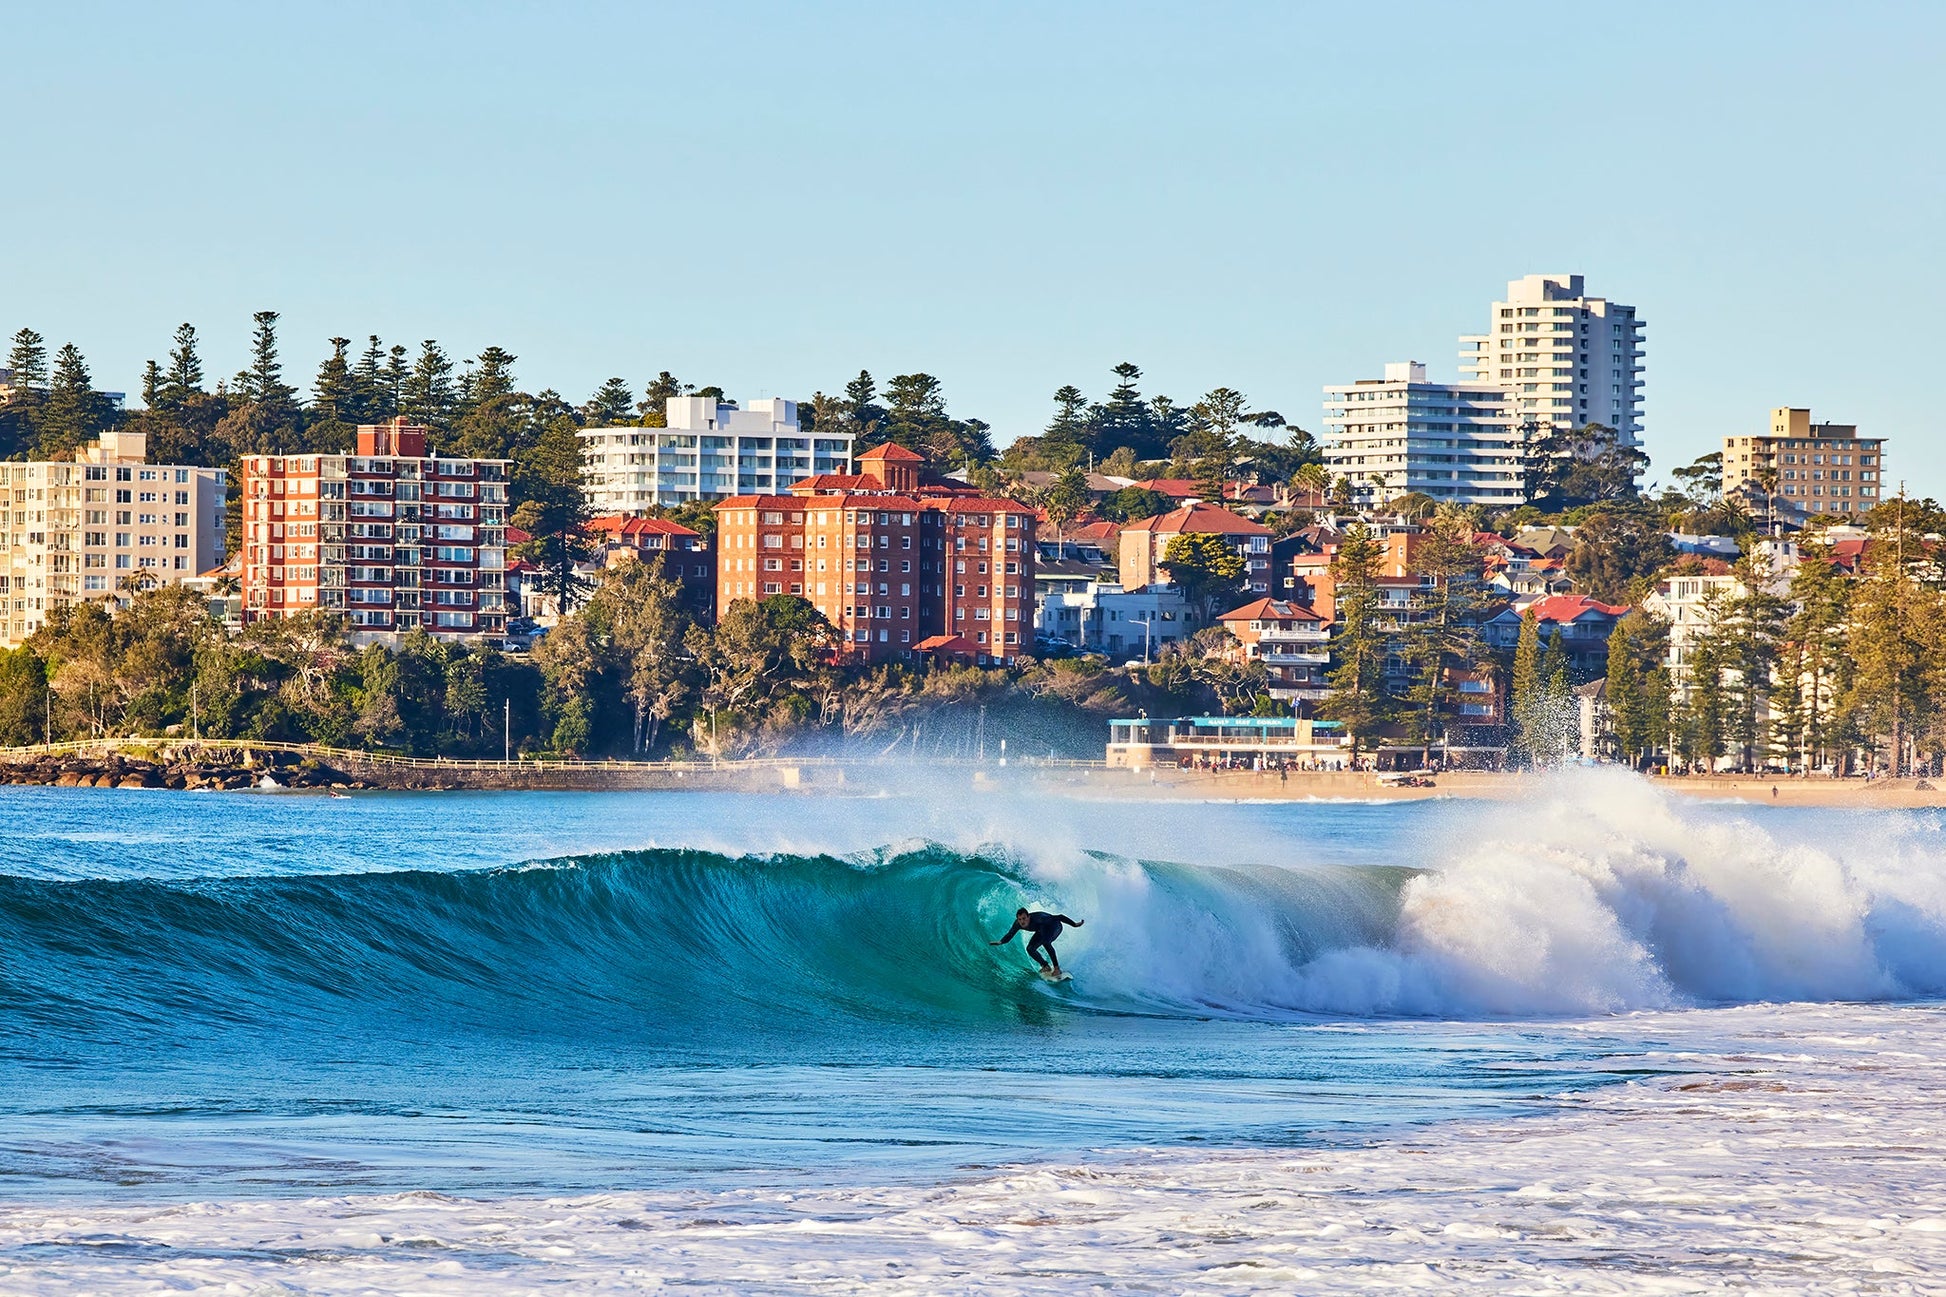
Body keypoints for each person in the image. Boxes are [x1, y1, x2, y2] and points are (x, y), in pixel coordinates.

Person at [991, 907, 1084, 974]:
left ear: (1028, 917)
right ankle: (1045, 966)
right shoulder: (1018, 924)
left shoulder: (1039, 918)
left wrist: (1074, 924)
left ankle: (1056, 968)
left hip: (1055, 926)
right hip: (1041, 930)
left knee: (1046, 942)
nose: (1022, 921)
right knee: (1030, 949)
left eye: (1024, 918)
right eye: (1020, 919)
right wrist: (1001, 942)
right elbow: (1010, 934)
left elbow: (1059, 917)